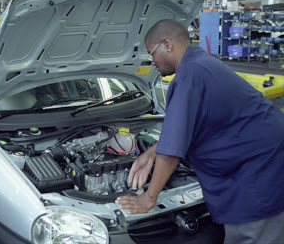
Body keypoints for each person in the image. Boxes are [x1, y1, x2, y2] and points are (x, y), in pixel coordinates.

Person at [115, 19, 284, 243]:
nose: (151, 61)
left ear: (167, 44)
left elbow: (173, 150)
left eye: (151, 53)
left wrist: (149, 197)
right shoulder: (199, 64)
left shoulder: (188, 77)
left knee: (252, 236)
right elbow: (188, 127)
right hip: (259, 164)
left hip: (258, 176)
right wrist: (152, 151)